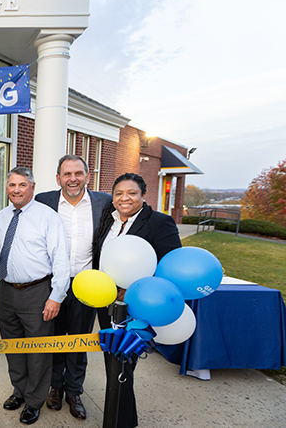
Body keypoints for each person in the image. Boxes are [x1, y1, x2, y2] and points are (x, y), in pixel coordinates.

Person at [92, 172, 182, 428]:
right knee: (113, 362)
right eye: (119, 193)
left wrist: (130, 289)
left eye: (132, 193)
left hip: (136, 306)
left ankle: (119, 422)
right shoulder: (107, 220)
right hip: (106, 303)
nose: (124, 198)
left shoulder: (159, 222)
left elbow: (168, 267)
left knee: (122, 365)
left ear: (143, 196)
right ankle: (124, 420)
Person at [35, 155, 112, 420]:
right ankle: (55, 387)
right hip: (53, 284)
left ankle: (74, 391)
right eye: (67, 174)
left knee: (78, 341)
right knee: (54, 339)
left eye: (78, 173)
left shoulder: (104, 203)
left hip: (87, 285)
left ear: (87, 176)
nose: (73, 179)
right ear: (58, 179)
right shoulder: (44, 201)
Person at [0, 166, 69, 426]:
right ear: (7, 188)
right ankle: (19, 391)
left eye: (22, 185)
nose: (16, 190)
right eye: (12, 185)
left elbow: (60, 259)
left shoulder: (48, 217)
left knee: (38, 351)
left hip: (37, 291)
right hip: (7, 291)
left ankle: (34, 401)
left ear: (32, 187)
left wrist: (56, 296)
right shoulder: (1, 217)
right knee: (12, 347)